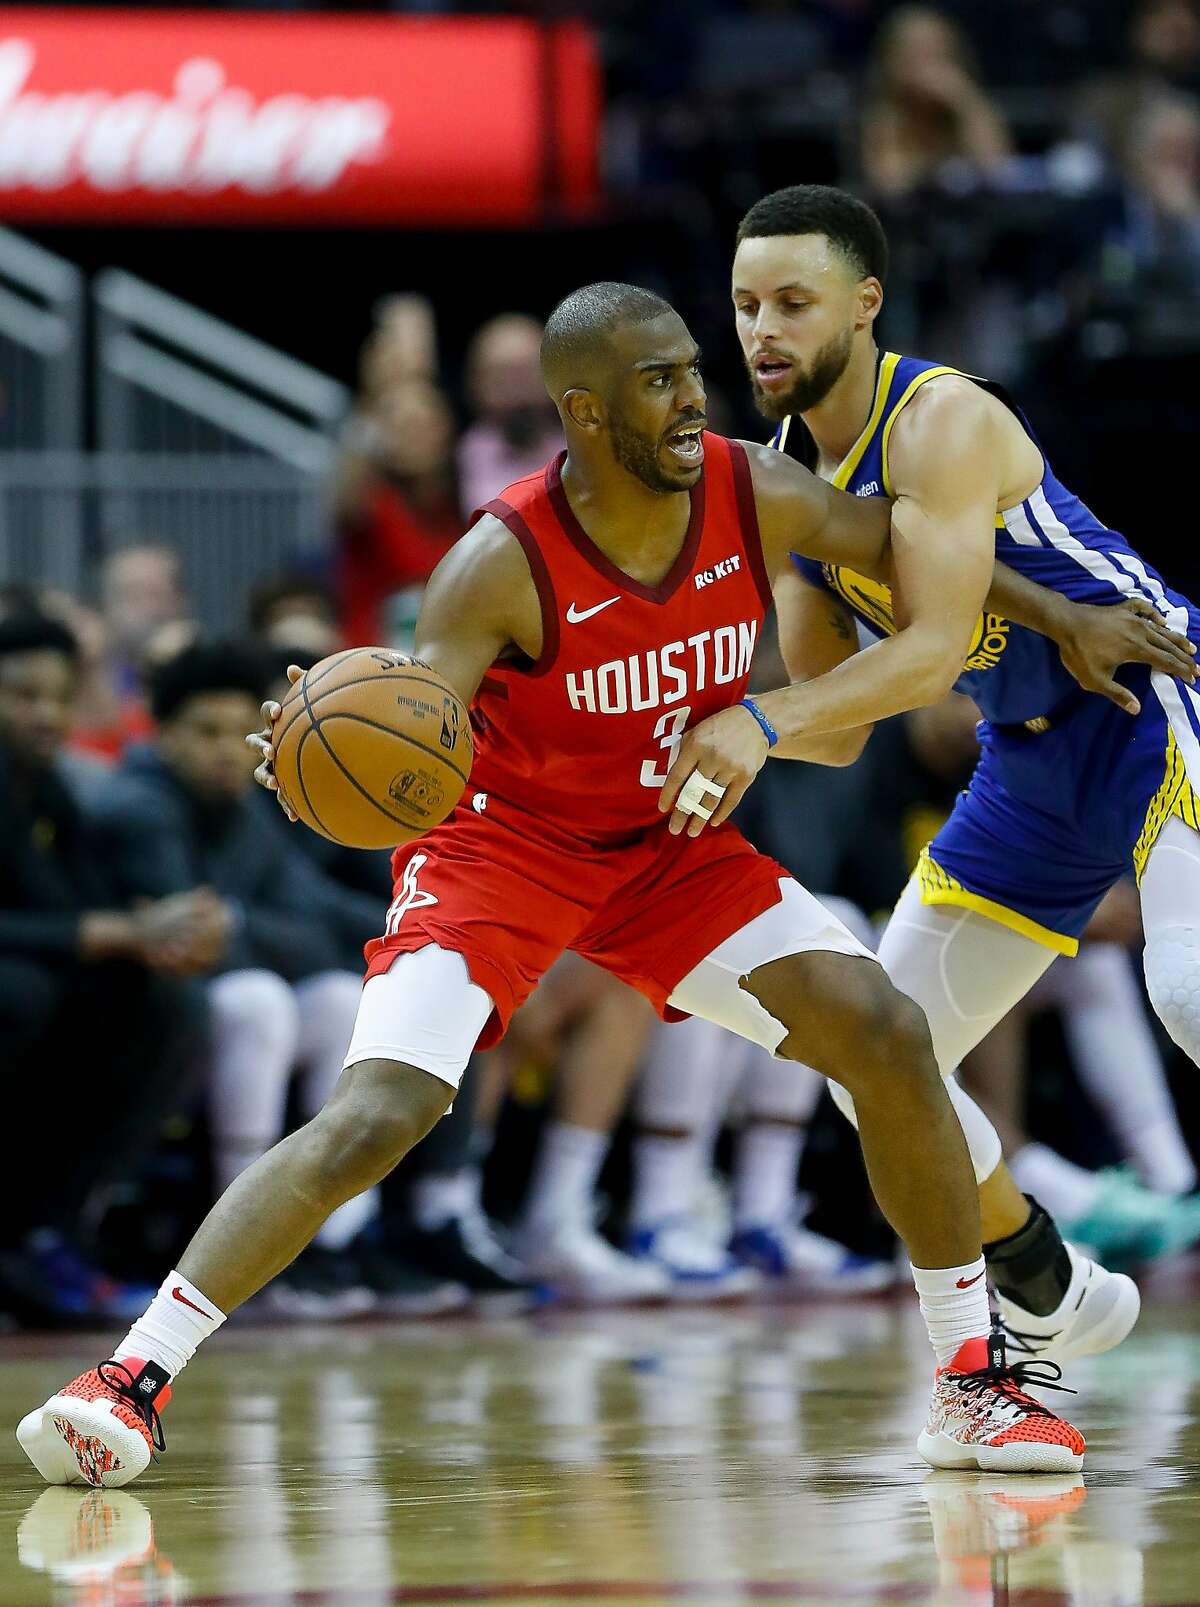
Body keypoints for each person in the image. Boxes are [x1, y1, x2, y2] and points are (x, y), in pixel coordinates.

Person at [20, 281, 1102, 1488]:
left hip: (664, 846)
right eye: (658, 379)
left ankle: (971, 1383)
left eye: (693, 369)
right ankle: (127, 1376)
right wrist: (314, 745)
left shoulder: (754, 488)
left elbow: (921, 555)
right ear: (583, 411)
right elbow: (411, 723)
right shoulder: (500, 561)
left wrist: (1065, 613)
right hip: (502, 850)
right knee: (383, 1107)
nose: (694, 394)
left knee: (887, 1032)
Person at [674, 182, 1200, 1372]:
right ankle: (1049, 1287)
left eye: (794, 303)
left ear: (865, 304)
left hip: (1154, 700)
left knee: (1189, 990)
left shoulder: (942, 418)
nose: (763, 330)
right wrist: (689, 728)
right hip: (1028, 758)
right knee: (878, 1057)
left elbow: (924, 657)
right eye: (748, 303)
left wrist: (757, 717)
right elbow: (838, 721)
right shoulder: (781, 478)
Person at [0, 614, 209, 1326]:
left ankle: (54, 1231)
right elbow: (77, 922)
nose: (44, 713)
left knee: (164, 1003)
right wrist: (104, 930)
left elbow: (80, 902)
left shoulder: (48, 787)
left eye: (57, 696)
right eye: (23, 694)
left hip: (38, 985)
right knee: (21, 996)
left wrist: (161, 929)